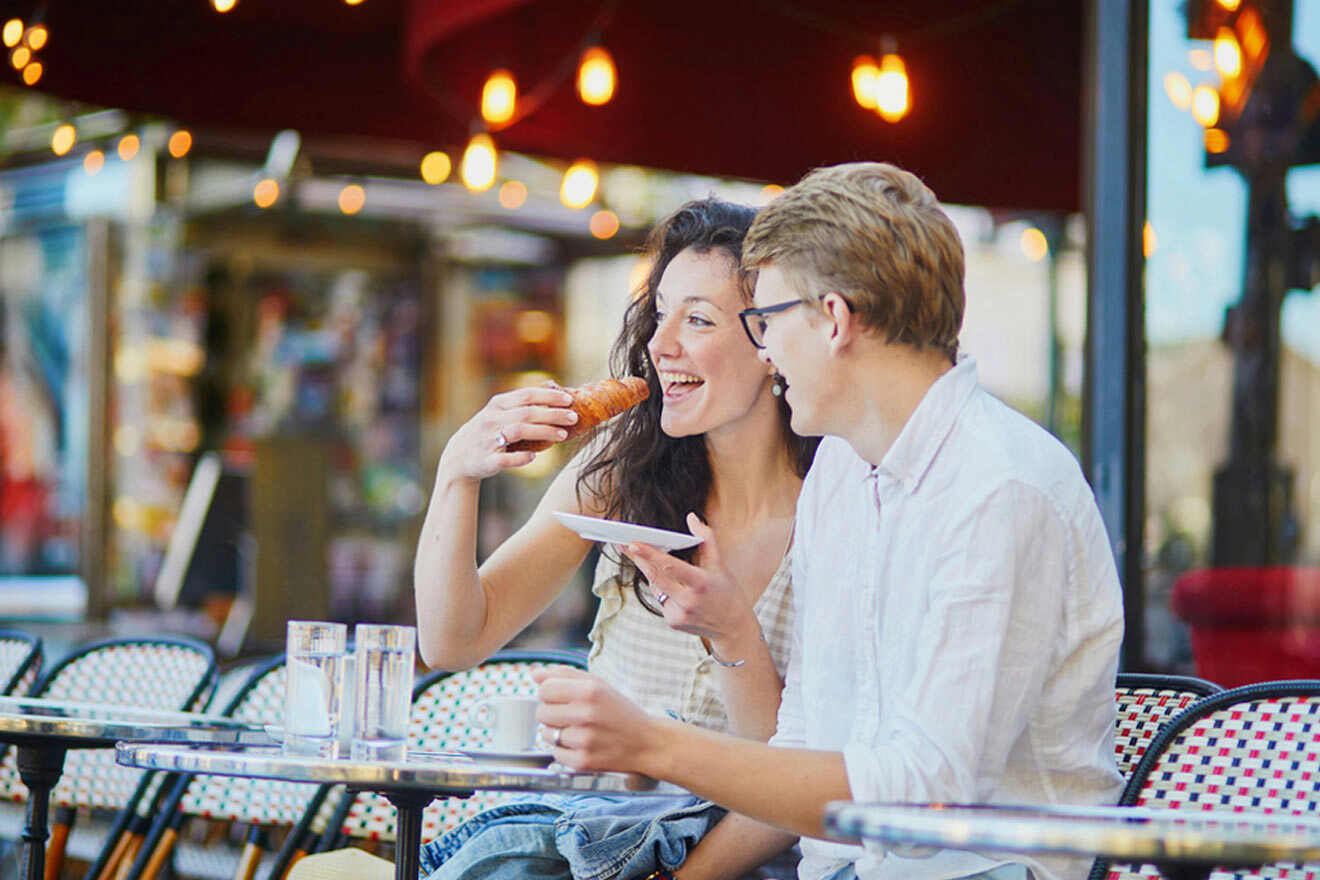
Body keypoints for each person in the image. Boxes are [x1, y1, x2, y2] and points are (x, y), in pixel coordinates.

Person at [534, 163, 1126, 880]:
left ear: (834, 320)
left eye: (767, 320)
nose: (767, 352)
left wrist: (653, 745)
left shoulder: (1001, 488)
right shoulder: (843, 475)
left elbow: (921, 799)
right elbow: (803, 740)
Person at [291, 198, 817, 880]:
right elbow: (454, 640)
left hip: (732, 859)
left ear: (772, 341)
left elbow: (797, 778)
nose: (662, 346)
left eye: (699, 319)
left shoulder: (834, 521)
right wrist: (457, 474)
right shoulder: (620, 479)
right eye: (659, 314)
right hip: (584, 837)